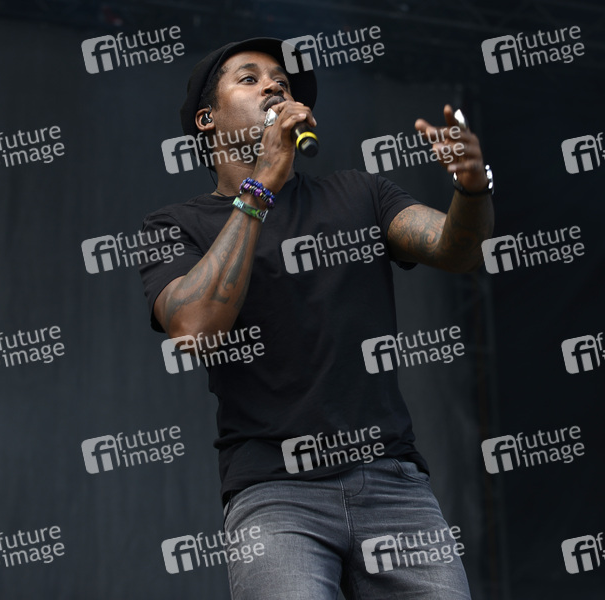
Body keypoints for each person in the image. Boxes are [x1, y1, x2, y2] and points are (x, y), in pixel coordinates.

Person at [139, 37, 494, 599]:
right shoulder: (174, 226)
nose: (273, 86)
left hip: (392, 483)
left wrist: (471, 189)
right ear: (207, 119)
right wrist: (261, 186)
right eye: (250, 79)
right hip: (275, 497)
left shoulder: (361, 194)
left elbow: (459, 250)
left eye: (281, 81)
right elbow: (196, 328)